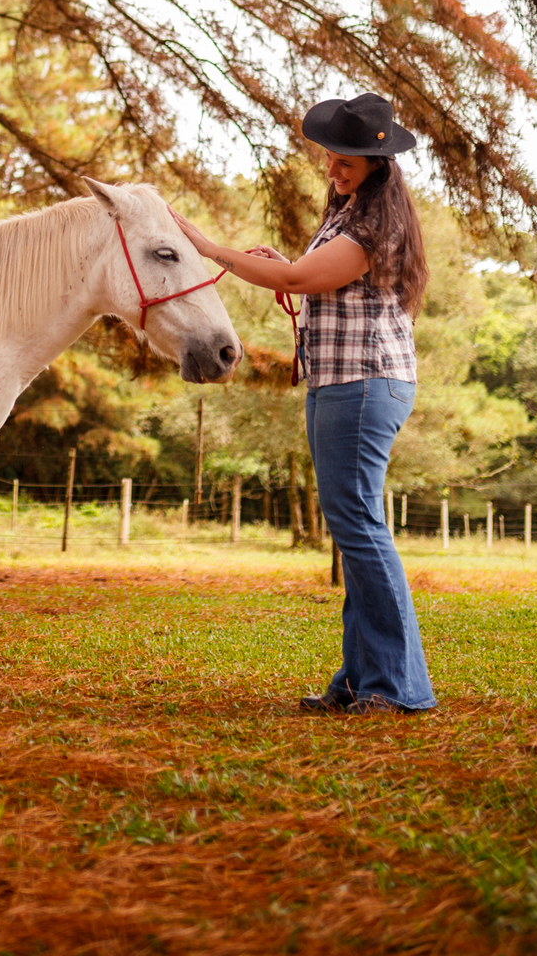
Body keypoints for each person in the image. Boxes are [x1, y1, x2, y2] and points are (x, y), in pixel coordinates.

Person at [173, 93, 435, 716]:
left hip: (364, 382)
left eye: (347, 162)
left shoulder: (373, 226)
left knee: (360, 528)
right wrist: (282, 264)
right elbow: (306, 274)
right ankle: (359, 679)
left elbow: (297, 281)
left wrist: (212, 249)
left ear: (377, 165)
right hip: (337, 380)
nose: (333, 169)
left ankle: (395, 687)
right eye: (331, 157)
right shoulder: (349, 212)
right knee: (352, 528)